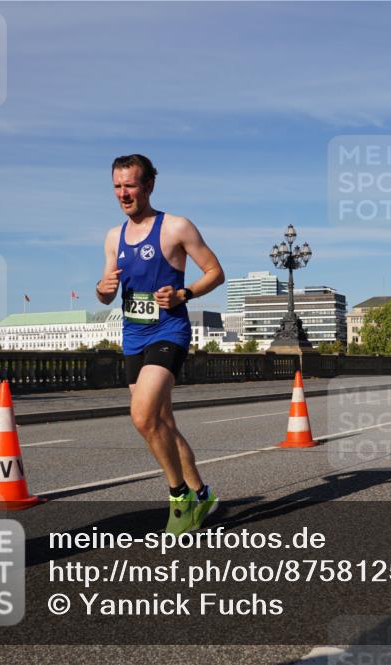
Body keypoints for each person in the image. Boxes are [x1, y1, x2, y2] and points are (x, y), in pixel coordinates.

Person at [96, 154, 225, 534]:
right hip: (133, 335)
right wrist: (102, 290)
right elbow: (107, 292)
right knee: (161, 421)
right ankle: (203, 495)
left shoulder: (176, 227)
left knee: (141, 416)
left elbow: (215, 272)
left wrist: (183, 293)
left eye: (130, 185)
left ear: (149, 185)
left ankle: (179, 494)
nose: (123, 194)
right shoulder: (112, 237)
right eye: (117, 186)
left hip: (168, 332)